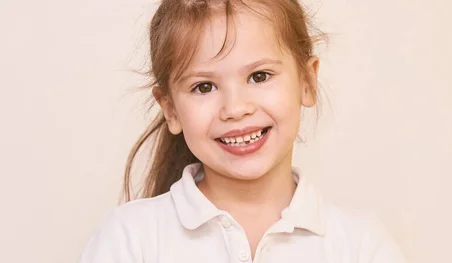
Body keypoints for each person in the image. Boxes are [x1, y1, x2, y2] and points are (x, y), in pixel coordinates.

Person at [80, 0, 405, 262]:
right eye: (204, 87)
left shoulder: (361, 245)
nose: (235, 108)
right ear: (170, 109)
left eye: (260, 76)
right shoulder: (129, 238)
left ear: (307, 81)